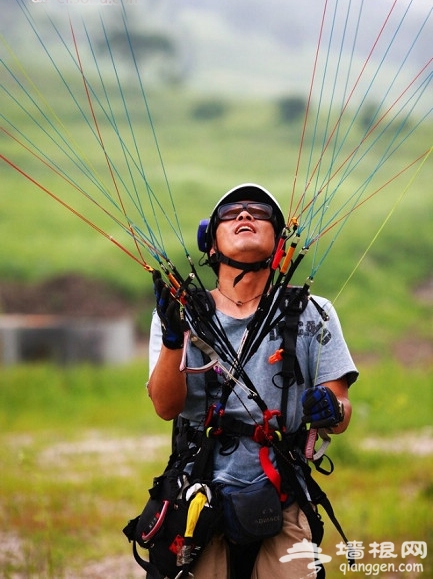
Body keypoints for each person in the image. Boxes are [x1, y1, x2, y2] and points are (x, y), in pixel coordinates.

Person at [147, 183, 358, 579]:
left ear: (280, 245)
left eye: (259, 211)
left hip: (282, 490)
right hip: (198, 490)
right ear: (210, 245)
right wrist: (174, 341)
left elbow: (341, 413)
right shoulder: (180, 314)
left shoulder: (313, 311)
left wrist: (332, 409)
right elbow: (165, 407)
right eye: (231, 212)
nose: (245, 215)